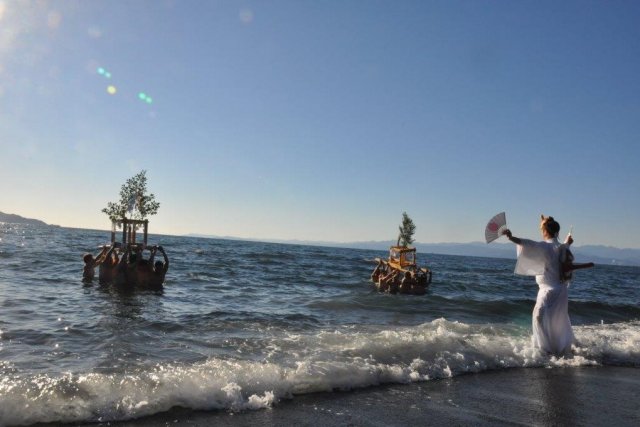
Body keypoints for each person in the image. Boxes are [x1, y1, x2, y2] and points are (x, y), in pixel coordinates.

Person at [503, 215, 575, 356]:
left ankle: (544, 350)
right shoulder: (561, 247)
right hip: (561, 290)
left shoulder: (545, 246)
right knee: (557, 320)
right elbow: (563, 250)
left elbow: (525, 243)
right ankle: (556, 349)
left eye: (542, 229)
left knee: (538, 317)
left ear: (545, 231)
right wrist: (567, 243)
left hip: (548, 290)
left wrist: (510, 237)